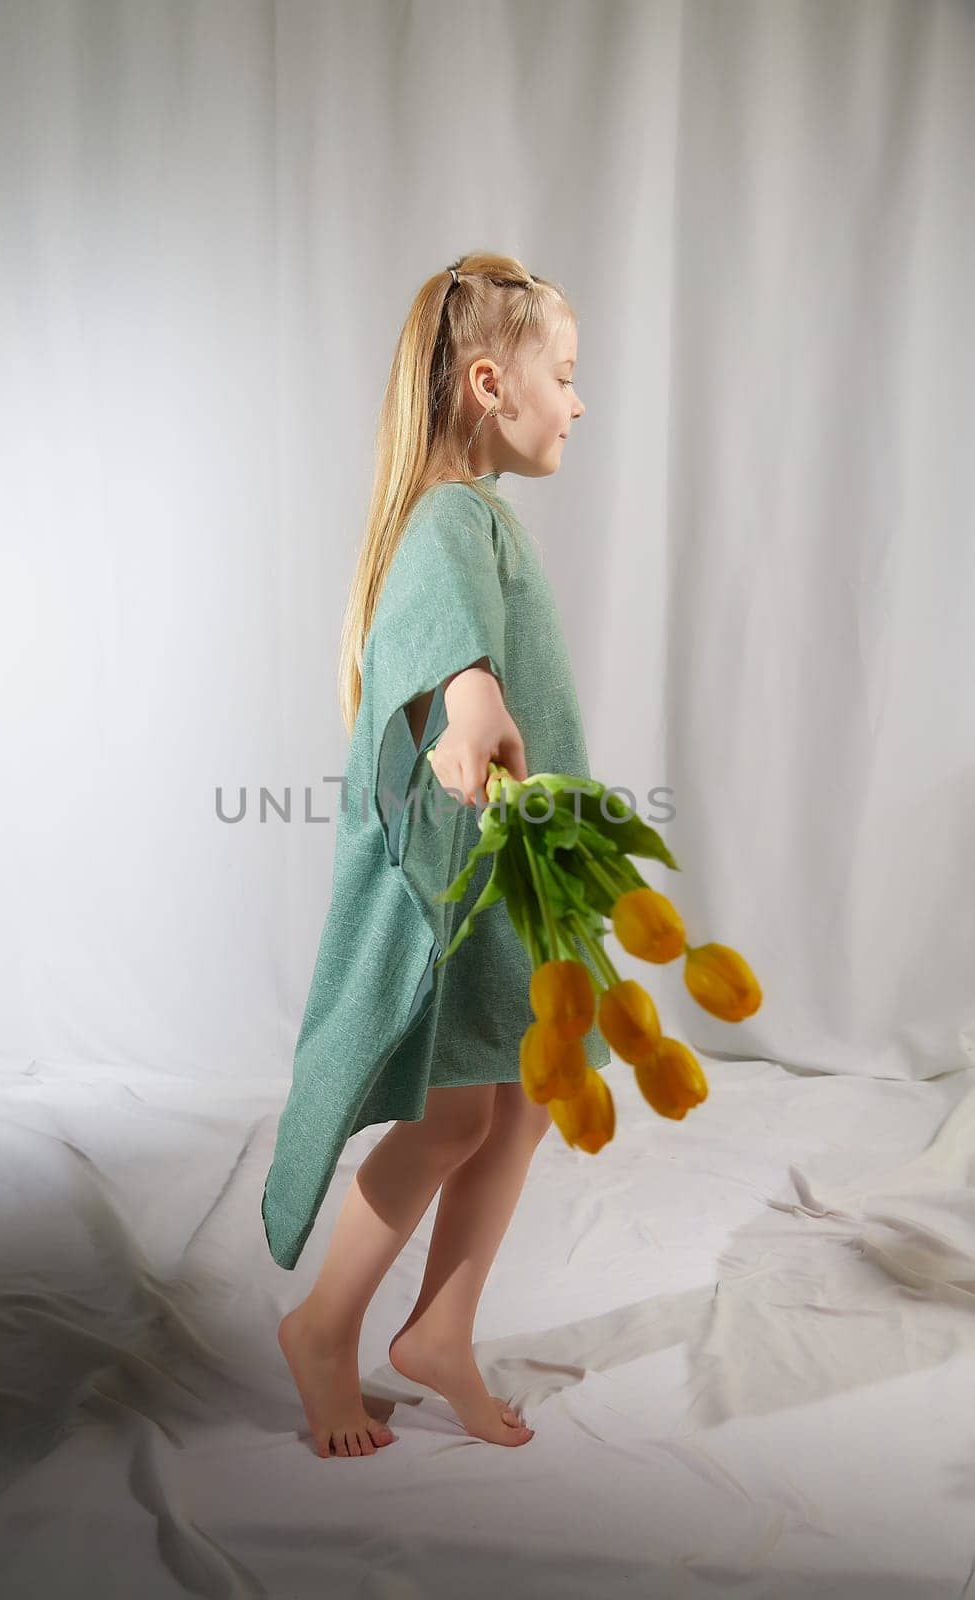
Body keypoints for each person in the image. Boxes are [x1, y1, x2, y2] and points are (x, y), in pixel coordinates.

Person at [264, 252, 605, 1458]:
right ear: (485, 381)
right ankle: (324, 1326)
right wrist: (466, 701)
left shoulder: (472, 517)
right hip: (463, 886)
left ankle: (439, 1328)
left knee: (518, 1101)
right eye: (560, 376)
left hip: (505, 877)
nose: (575, 401)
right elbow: (440, 627)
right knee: (465, 1114)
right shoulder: (452, 519)